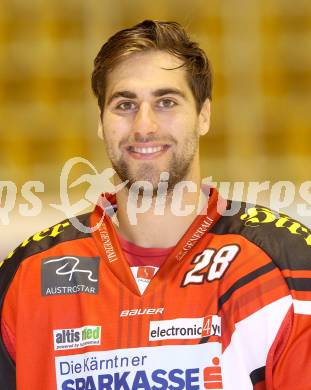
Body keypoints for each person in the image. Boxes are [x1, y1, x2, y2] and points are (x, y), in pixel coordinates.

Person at [0, 20, 310, 390]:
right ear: (101, 122)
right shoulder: (28, 275)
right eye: (125, 104)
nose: (144, 126)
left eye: (166, 102)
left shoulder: (288, 266)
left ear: (204, 115)